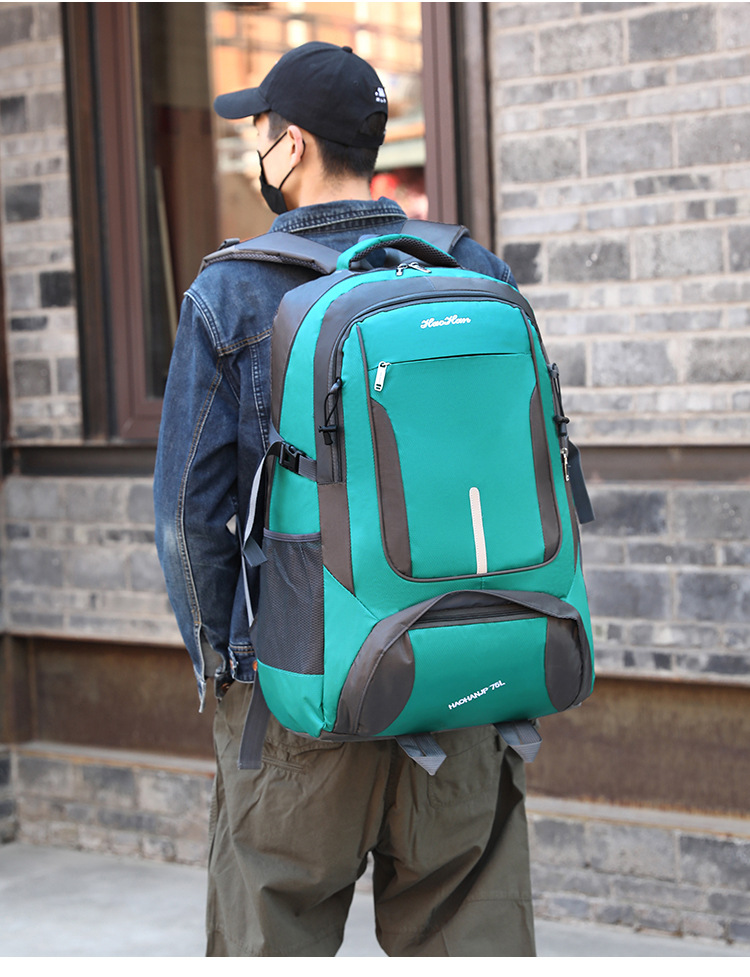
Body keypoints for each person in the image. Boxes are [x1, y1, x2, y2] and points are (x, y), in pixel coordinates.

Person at [154, 41, 535, 958]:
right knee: (471, 944)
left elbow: (187, 518)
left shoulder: (232, 289)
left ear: (291, 145)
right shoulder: (471, 270)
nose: (256, 147)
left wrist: (228, 664)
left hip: (299, 687)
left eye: (260, 130)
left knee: (269, 944)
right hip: (458, 670)